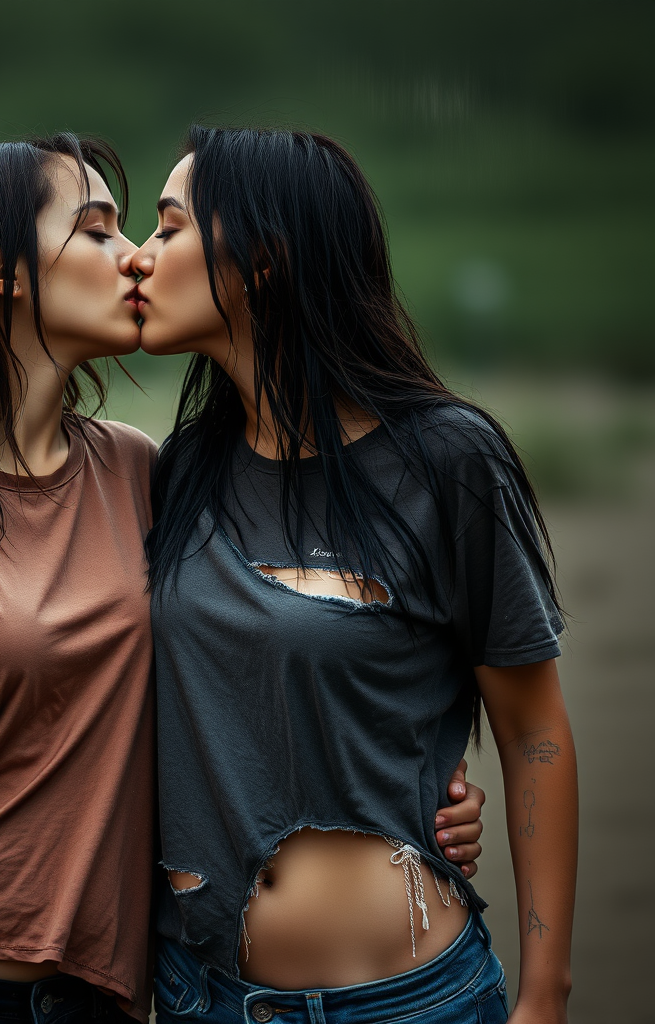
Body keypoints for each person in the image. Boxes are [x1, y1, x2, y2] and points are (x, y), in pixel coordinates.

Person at [0, 131, 489, 1024]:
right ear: (1, 268)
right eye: (100, 231)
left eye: (140, 231)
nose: (136, 258)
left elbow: (259, 655)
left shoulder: (140, 472)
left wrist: (421, 782)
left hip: (107, 995)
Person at [134, 126, 577, 1024]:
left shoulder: (448, 461)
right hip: (199, 997)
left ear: (262, 256)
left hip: (413, 1001)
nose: (140, 259)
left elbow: (534, 731)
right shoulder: (175, 474)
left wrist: (543, 996)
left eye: (169, 228)